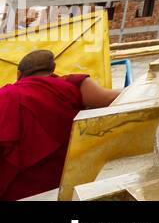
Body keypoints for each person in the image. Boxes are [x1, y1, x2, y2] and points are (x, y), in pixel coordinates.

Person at [0, 49, 122, 200]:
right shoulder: (73, 84)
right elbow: (111, 99)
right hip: (67, 176)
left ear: (19, 74)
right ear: (53, 68)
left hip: (19, 185)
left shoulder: (5, 95)